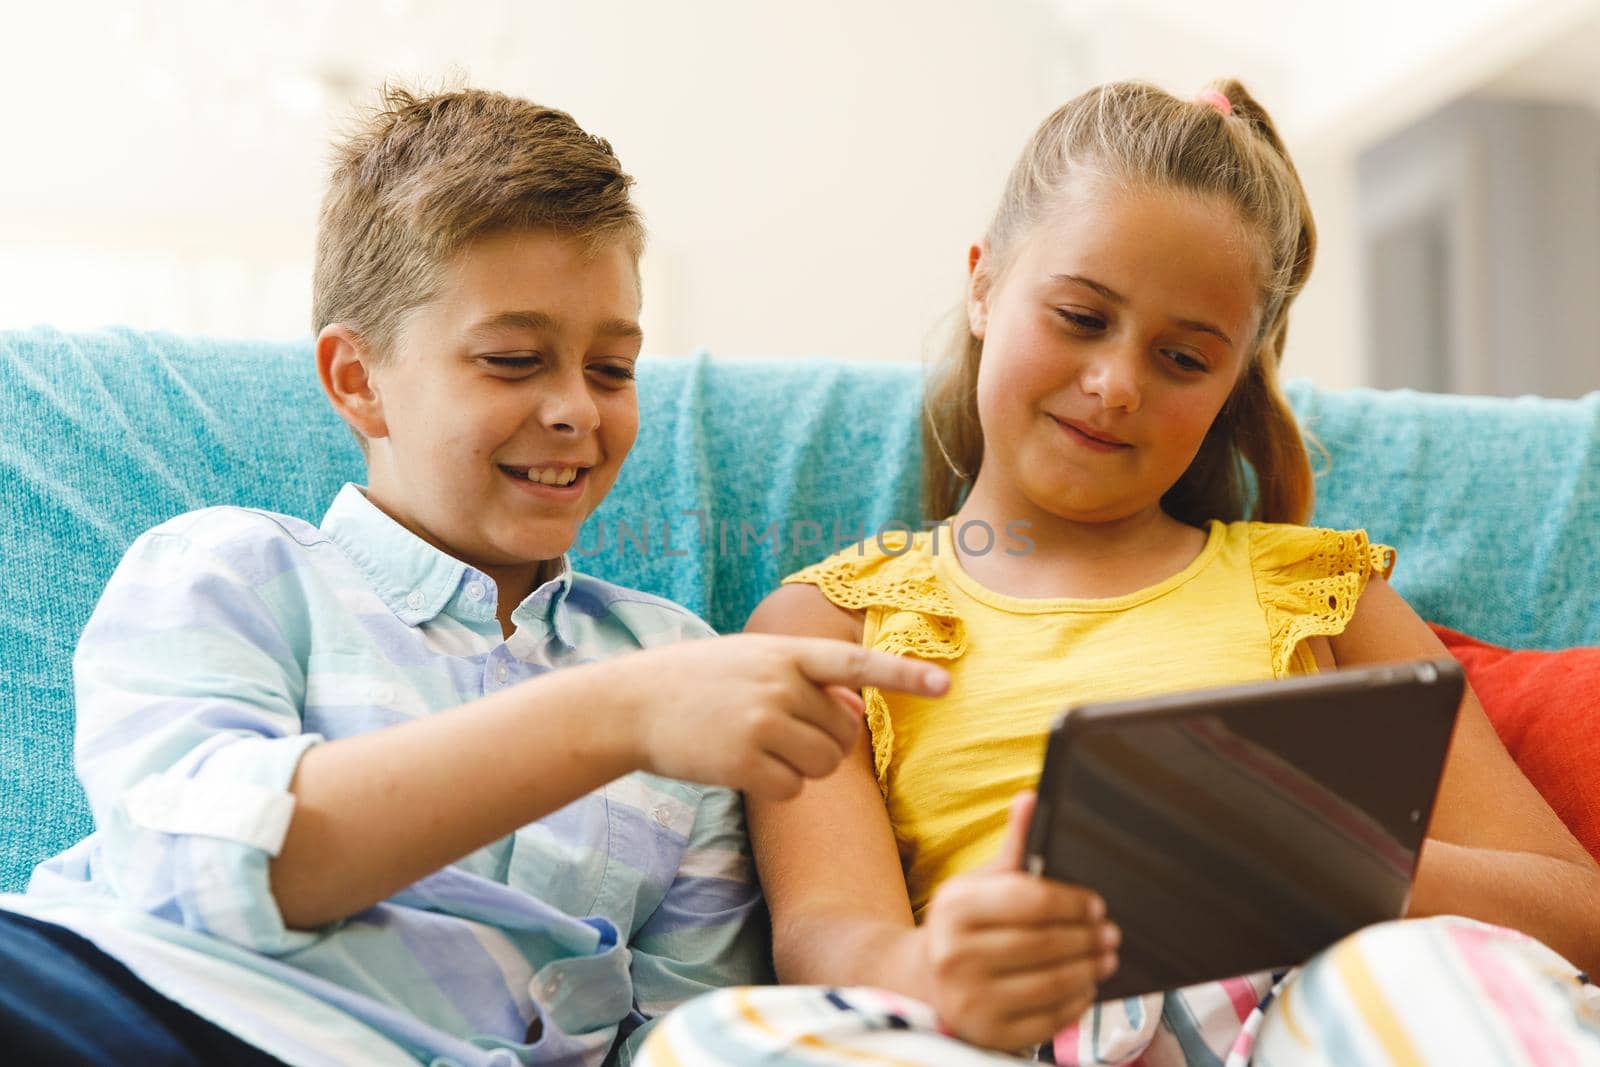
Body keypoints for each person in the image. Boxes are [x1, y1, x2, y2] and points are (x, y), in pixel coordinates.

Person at [637, 80, 1600, 1066]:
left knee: (1417, 974)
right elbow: (824, 936)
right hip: (1001, 1037)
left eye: (1183, 358)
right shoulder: (828, 626)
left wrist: (1340, 863)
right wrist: (945, 968)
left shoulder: (1323, 594)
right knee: (710, 1038)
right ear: (981, 284)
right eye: (1079, 315)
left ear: (1231, 382)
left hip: (1306, 1020)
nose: (1117, 385)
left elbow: (1577, 911)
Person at [0, 86, 946, 1067]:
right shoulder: (227, 569)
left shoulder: (678, 667)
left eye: (614, 368)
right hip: (141, 1000)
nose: (577, 408)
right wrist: (611, 716)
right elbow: (204, 874)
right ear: (357, 380)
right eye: (513, 359)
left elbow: (687, 1023)